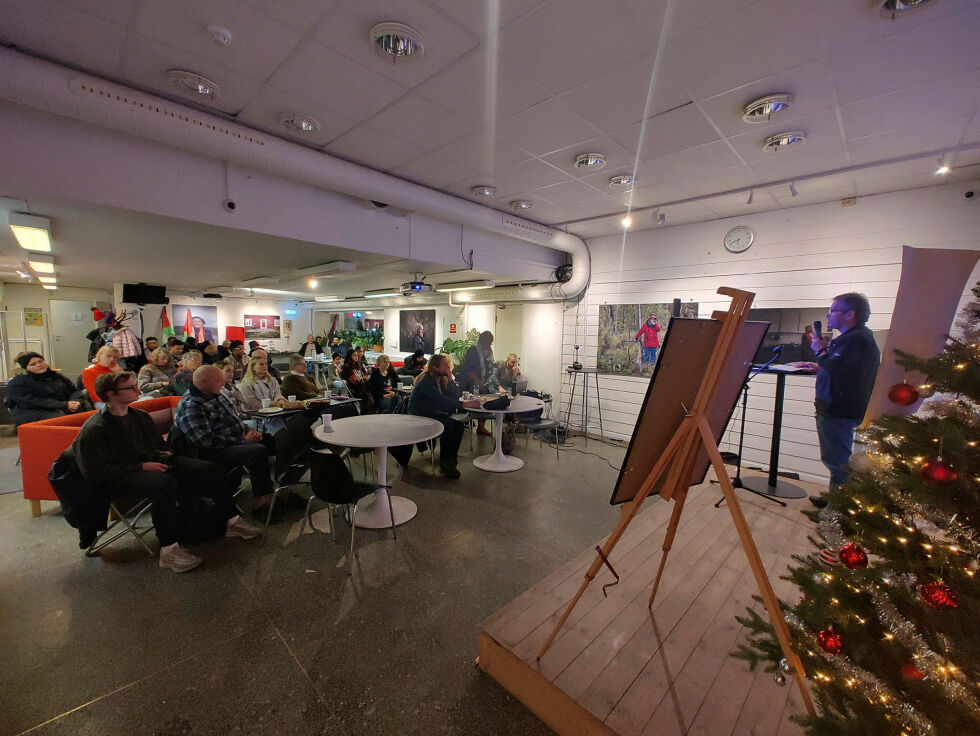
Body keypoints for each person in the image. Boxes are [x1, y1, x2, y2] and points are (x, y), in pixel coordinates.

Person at [74, 371, 261, 572]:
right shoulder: (96, 428)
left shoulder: (139, 416)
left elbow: (156, 445)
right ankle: (169, 549)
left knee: (208, 469)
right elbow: (95, 471)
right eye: (130, 388)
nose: (137, 390)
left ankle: (231, 521)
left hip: (148, 464)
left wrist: (167, 456)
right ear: (110, 394)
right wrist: (142, 466)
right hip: (117, 477)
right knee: (164, 484)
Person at [796, 293, 880, 506]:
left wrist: (821, 351)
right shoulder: (858, 337)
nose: (828, 314)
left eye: (834, 310)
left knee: (838, 461)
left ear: (850, 314)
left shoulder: (854, 339)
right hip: (841, 407)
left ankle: (839, 511)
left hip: (838, 409)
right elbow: (847, 371)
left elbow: (837, 368)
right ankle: (836, 500)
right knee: (837, 458)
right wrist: (818, 365)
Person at [173, 365, 279, 522]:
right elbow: (204, 440)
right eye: (218, 380)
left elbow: (234, 419)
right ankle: (260, 503)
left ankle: (283, 489)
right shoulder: (192, 404)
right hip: (209, 452)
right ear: (203, 382)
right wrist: (242, 441)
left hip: (231, 441)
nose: (222, 383)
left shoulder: (216, 394)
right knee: (257, 451)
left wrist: (248, 431)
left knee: (274, 439)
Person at [406, 354, 480, 478]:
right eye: (445, 365)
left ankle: (449, 462)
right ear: (435, 367)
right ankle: (446, 464)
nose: (448, 367)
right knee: (449, 427)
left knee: (458, 425)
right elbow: (442, 402)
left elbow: (453, 398)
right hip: (419, 417)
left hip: (431, 414)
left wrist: (451, 381)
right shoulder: (426, 382)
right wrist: (464, 404)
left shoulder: (441, 380)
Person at [5, 352, 81, 424]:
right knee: (65, 420)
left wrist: (74, 402)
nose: (39, 365)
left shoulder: (56, 376)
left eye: (40, 361)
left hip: (60, 407)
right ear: (26, 368)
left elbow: (73, 391)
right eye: (33, 364)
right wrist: (64, 405)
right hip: (31, 412)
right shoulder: (18, 382)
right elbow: (32, 401)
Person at [462, 331, 505, 435]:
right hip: (472, 383)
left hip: (484, 383)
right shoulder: (472, 351)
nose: (489, 346)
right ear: (482, 341)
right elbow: (468, 369)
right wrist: (478, 381)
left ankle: (481, 427)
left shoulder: (488, 352)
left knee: (486, 402)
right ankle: (475, 425)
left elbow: (488, 367)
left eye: (490, 344)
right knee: (477, 404)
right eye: (488, 343)